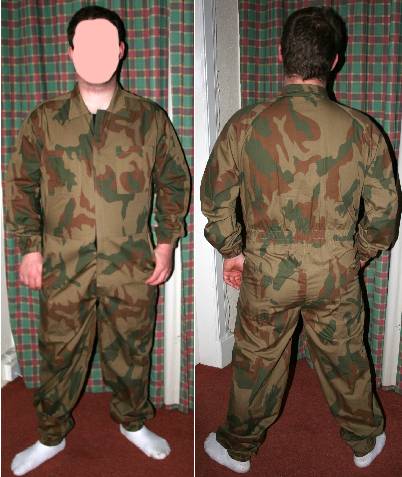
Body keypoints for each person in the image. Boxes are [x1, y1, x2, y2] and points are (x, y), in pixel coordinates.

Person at [200, 6, 398, 474]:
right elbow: (385, 213)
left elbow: (215, 200)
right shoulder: (363, 130)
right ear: (334, 61)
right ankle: (363, 442)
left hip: (268, 273)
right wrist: (359, 254)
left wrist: (233, 251)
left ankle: (238, 450)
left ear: (280, 54)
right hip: (336, 272)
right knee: (345, 357)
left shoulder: (245, 124)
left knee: (257, 360)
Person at [5, 5, 190, 476]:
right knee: (59, 351)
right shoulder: (46, 119)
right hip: (62, 262)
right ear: (69, 52)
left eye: (105, 44)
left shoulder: (148, 118)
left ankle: (132, 422)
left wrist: (166, 242)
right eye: (85, 45)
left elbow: (174, 181)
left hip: (130, 262)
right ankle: (50, 434)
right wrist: (29, 246)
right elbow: (20, 184)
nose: (95, 54)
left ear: (121, 51)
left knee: (131, 348)